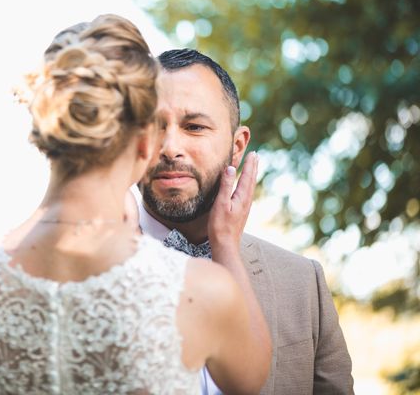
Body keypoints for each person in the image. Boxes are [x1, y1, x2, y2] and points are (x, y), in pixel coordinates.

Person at [0, 15, 271, 394]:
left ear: (45, 135)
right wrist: (225, 241)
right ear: (145, 143)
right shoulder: (202, 290)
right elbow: (251, 383)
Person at [137, 48, 354, 394]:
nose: (170, 146)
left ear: (237, 147)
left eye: (194, 127)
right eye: (152, 126)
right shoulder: (82, 268)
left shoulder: (303, 284)